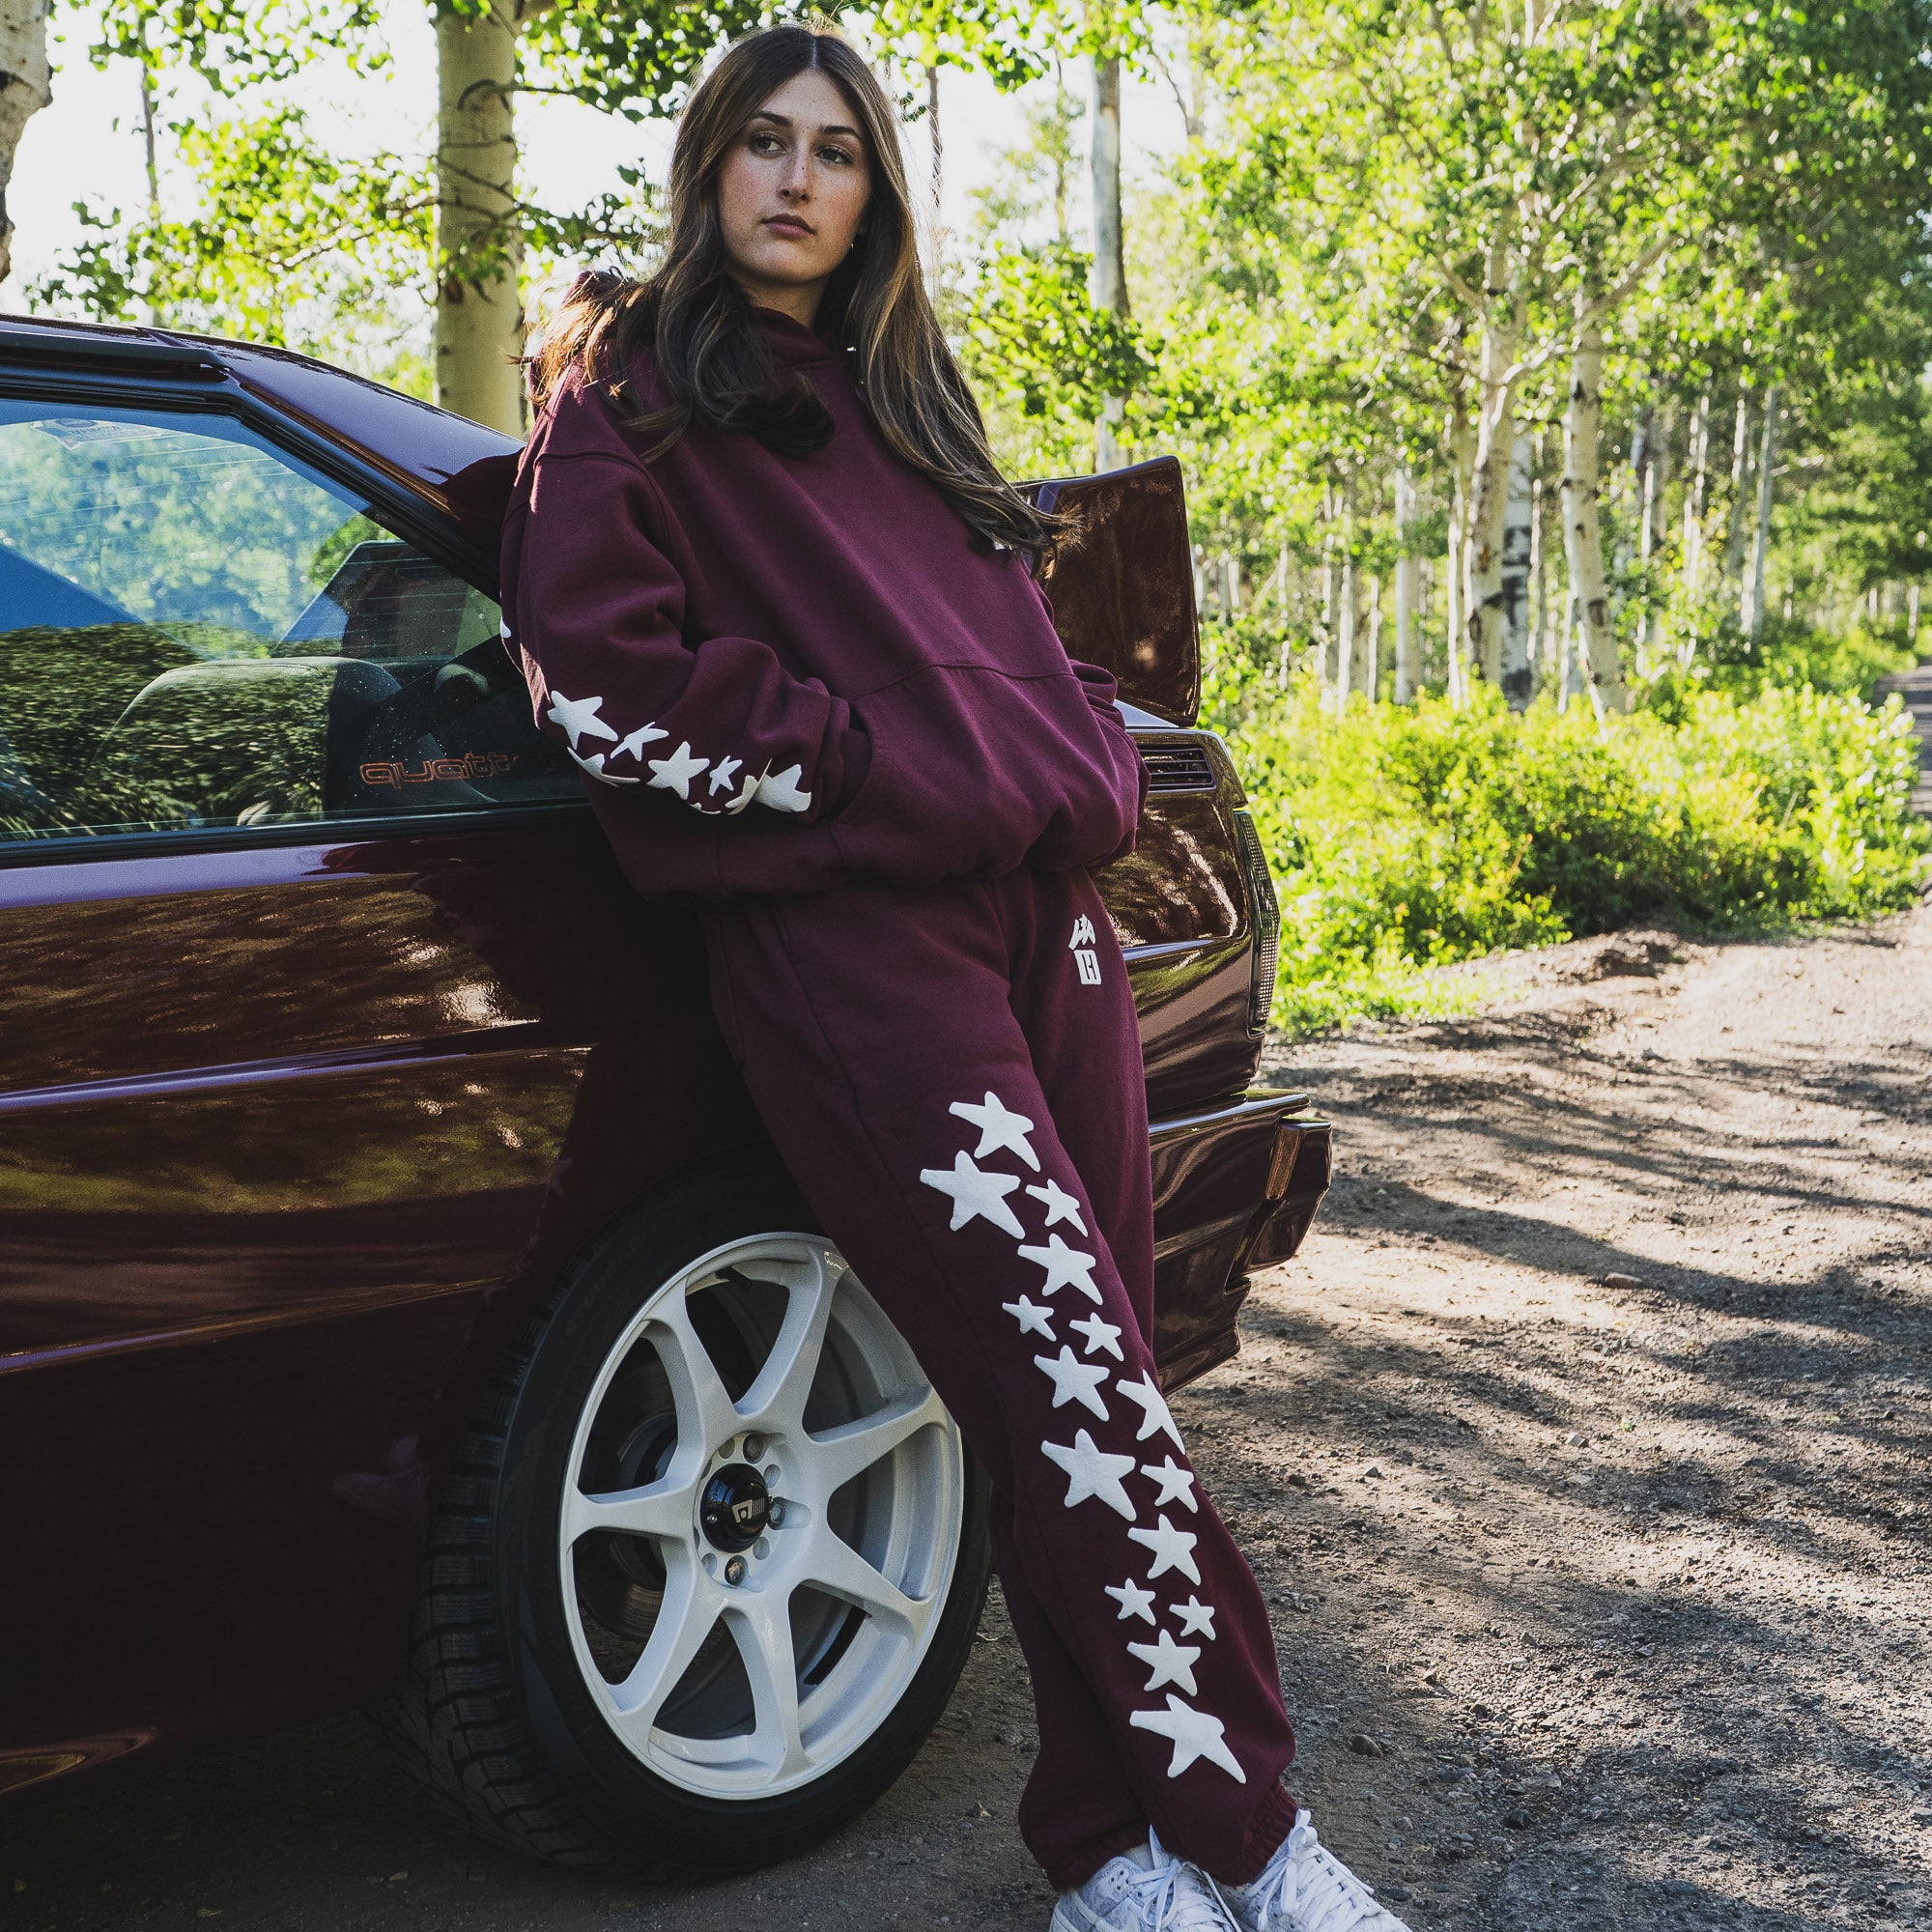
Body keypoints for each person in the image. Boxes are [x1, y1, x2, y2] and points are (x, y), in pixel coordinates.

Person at [500, 22, 1410, 1932]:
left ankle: (1113, 1848)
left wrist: (1069, 765)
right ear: (708, 161)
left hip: (1041, 920)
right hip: (841, 933)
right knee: (1060, 1361)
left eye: (835, 148)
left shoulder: (911, 396)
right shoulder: (638, 385)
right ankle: (1254, 1837)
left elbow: (1027, 648)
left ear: (875, 187)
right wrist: (857, 765)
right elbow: (599, 690)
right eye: (762, 140)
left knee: (1098, 1380)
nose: (795, 178)